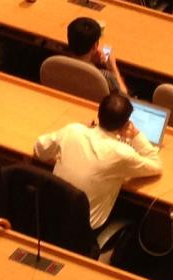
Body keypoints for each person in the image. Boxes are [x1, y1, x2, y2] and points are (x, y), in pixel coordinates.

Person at [33, 90, 162, 229]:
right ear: (125, 125)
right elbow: (156, 166)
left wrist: (82, 129)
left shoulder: (73, 130)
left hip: (49, 218)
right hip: (83, 231)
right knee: (133, 211)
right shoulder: (122, 153)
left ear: (98, 114)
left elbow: (39, 149)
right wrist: (136, 136)